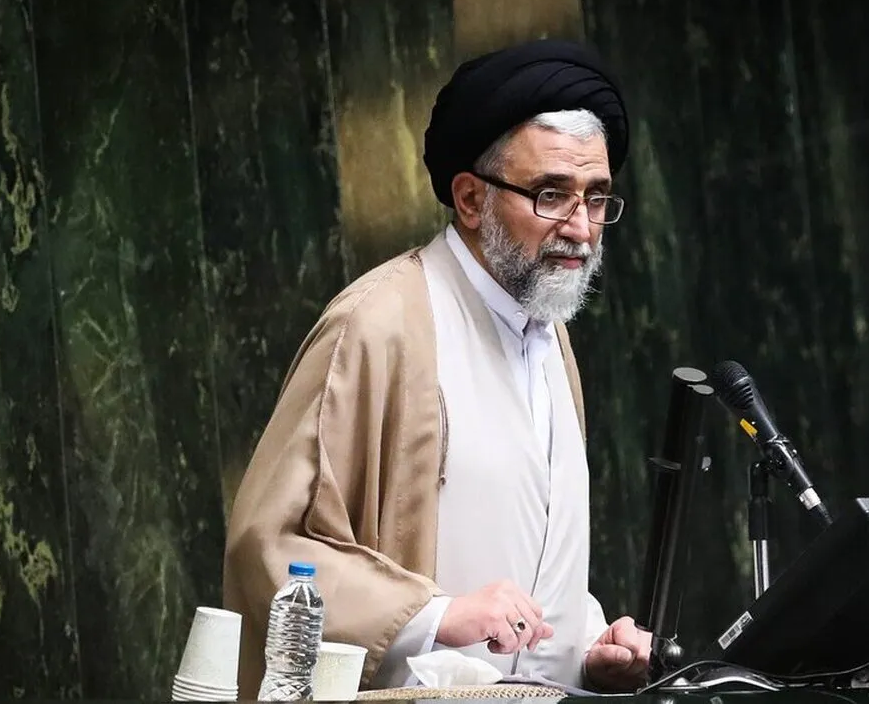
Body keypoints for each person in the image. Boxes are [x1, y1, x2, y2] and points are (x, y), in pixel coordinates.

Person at [222, 38, 651, 698]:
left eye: (596, 199)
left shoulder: (551, 334)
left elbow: (523, 546)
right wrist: (434, 615)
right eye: (551, 195)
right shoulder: (380, 324)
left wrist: (586, 646)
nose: (582, 229)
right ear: (471, 199)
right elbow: (270, 544)